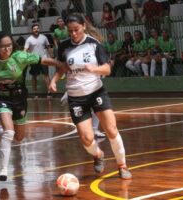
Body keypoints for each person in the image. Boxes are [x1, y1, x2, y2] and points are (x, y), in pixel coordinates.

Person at [49, 14, 132, 179]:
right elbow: (63, 68)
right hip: (76, 97)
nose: (73, 34)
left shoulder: (94, 44)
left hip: (96, 92)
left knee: (111, 129)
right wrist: (54, 80)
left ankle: (122, 165)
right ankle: (98, 155)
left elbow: (107, 69)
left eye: (76, 30)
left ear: (83, 27)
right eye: (70, 31)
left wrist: (95, 70)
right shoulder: (64, 46)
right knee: (87, 139)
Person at [0, 31, 64, 181]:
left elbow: (42, 60)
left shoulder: (20, 57)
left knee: (19, 137)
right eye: (3, 46)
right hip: (1, 98)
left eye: (9, 45)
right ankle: (3, 169)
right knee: (10, 133)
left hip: (19, 98)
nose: (7, 49)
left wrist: (58, 64)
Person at [24, 23, 54, 98]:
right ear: (32, 30)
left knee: (46, 75)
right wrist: (25, 59)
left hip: (43, 59)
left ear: (39, 29)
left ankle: (49, 92)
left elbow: (48, 47)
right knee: (34, 76)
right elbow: (25, 50)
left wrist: (52, 56)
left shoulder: (44, 37)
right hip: (33, 60)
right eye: (34, 29)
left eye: (37, 28)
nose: (36, 30)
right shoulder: (29, 39)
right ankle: (35, 93)